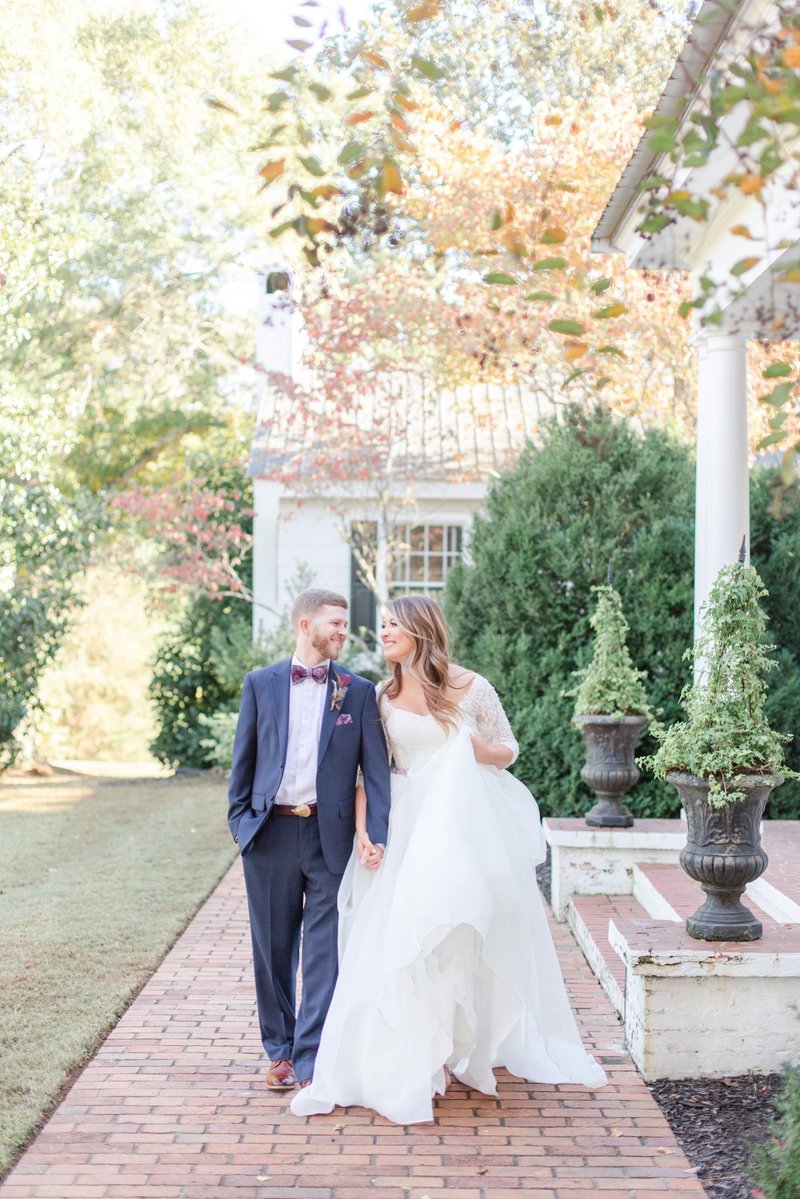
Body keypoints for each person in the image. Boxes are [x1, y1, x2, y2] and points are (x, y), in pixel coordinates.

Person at [291, 594, 607, 1124]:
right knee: (407, 942)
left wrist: (476, 750)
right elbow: (373, 772)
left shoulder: (471, 686)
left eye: (392, 624)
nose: (383, 632)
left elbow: (508, 749)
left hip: (463, 832)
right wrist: (366, 833)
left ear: (420, 630)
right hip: (406, 831)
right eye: (384, 624)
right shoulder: (381, 696)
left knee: (456, 934)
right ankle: (421, 1057)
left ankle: (452, 1046)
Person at [227, 588, 391, 1091]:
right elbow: (244, 760)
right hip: (270, 832)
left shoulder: (357, 691)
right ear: (305, 624)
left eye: (345, 624)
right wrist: (241, 825)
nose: (344, 631)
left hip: (331, 836)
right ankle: (279, 1050)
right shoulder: (261, 684)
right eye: (335, 623)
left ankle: (311, 1054)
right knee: (273, 948)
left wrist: (374, 835)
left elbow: (375, 772)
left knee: (324, 951)